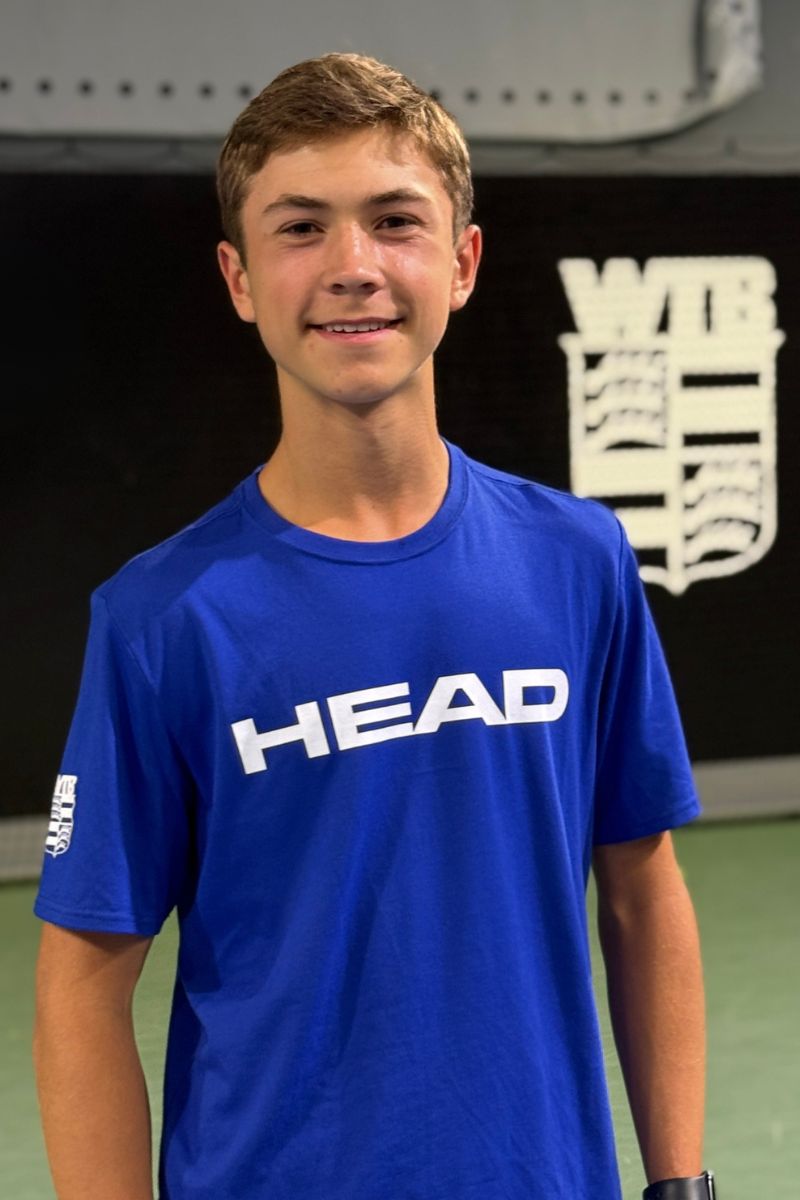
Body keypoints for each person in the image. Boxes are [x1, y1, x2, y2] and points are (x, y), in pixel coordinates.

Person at [33, 52, 714, 1200]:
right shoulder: (159, 618)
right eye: (300, 228)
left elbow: (643, 893)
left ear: (462, 261)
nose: (352, 267)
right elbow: (81, 985)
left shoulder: (576, 559)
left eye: (394, 221)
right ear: (239, 277)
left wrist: (678, 1183)